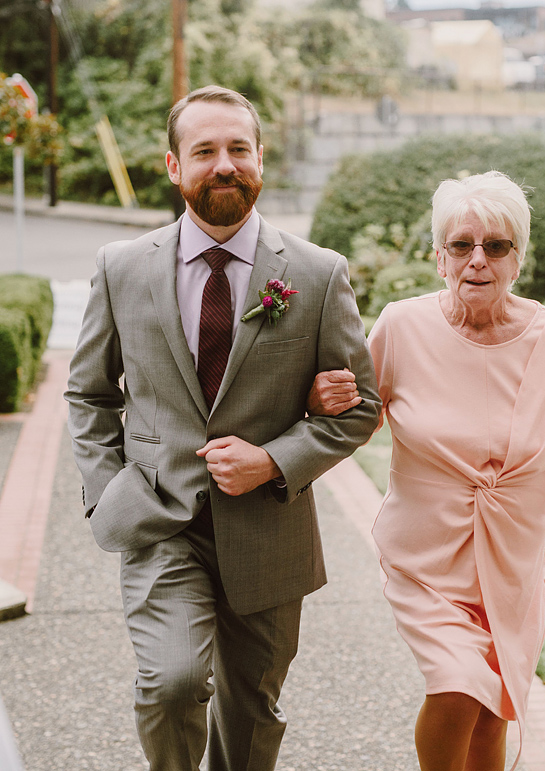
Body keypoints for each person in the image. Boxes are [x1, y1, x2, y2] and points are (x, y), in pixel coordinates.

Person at [64, 85, 381, 770]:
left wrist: (273, 459)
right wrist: (106, 490)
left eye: (239, 148)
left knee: (251, 711)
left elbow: (361, 405)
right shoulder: (121, 269)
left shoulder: (318, 275)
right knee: (171, 680)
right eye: (204, 151)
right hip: (158, 517)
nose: (224, 164)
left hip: (269, 528)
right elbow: (89, 394)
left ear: (260, 158)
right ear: (174, 166)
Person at [348, 171, 545, 771]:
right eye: (461, 245)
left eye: (496, 246)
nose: (477, 261)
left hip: (513, 565)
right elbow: (358, 422)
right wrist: (326, 400)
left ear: (519, 259)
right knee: (459, 687)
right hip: (427, 560)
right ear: (439, 257)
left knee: (494, 712)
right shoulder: (400, 326)